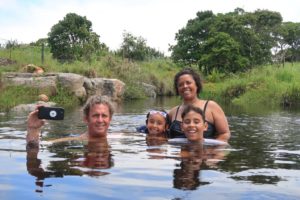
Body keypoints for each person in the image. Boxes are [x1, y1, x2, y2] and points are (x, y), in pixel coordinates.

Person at [168, 67, 230, 142]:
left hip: (205, 152)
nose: (185, 86)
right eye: (180, 84)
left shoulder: (211, 107)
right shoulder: (173, 112)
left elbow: (224, 133)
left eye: (188, 83)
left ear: (197, 85)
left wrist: (214, 152)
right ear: (177, 89)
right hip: (179, 153)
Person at [26, 95, 114, 145]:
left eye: (104, 116)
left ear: (110, 119)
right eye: (95, 115)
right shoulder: (72, 141)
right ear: (86, 119)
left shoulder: (117, 138)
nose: (100, 120)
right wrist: (33, 129)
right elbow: (34, 146)